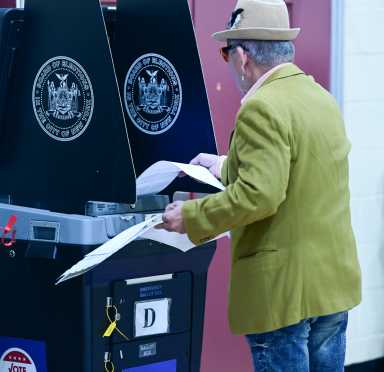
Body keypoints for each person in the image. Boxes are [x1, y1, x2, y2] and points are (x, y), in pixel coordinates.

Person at [158, 0, 361, 370]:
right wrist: (224, 165)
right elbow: (298, 166)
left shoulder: (260, 107)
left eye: (226, 53)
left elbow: (259, 195)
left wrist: (191, 216)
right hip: (332, 285)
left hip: (284, 296)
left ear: (243, 57)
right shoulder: (319, 98)